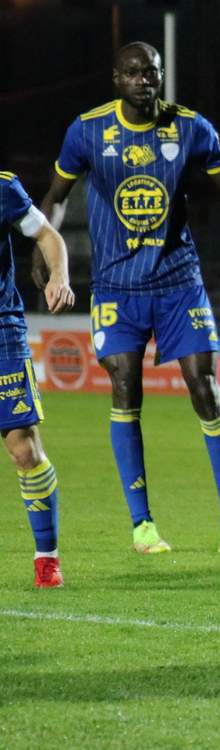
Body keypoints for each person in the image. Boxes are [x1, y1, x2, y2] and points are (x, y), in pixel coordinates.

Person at [38, 41, 220, 556]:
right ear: (115, 78)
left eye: (154, 72)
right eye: (134, 72)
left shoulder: (189, 126)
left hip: (177, 281)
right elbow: (53, 199)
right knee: (126, 388)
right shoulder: (88, 131)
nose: (146, 79)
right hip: (117, 286)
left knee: (204, 386)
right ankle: (143, 525)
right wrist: (47, 253)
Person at [0, 172, 75, 587]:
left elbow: (48, 236)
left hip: (1, 331)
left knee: (24, 449)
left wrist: (59, 277)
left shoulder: (3, 189)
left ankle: (46, 558)